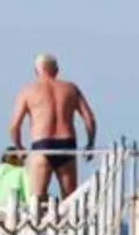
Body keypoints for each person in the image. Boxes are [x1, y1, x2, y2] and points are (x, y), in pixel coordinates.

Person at [9, 54, 97, 203]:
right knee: (70, 199)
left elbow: (14, 126)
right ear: (56, 70)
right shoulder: (70, 88)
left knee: (37, 199)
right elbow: (90, 119)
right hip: (67, 144)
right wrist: (90, 144)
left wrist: (19, 148)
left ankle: (40, 224)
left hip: (42, 145)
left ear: (36, 71)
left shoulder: (28, 91)